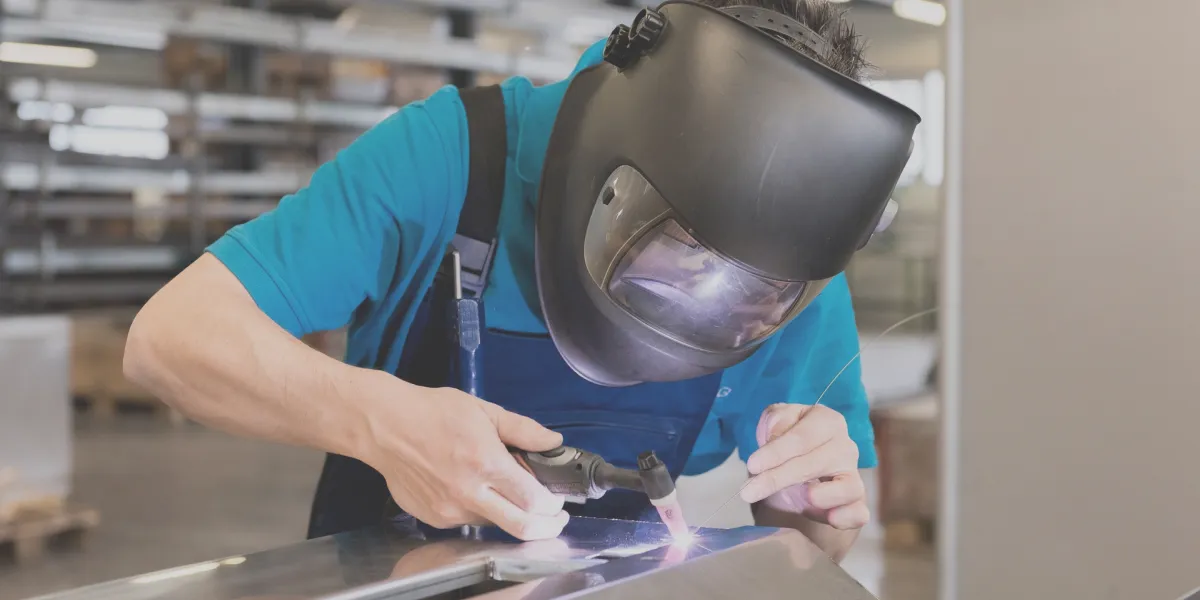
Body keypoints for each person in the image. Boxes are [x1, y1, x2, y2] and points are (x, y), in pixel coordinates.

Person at [123, 0, 917, 563]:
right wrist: (381, 423)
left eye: (743, 291)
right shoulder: (451, 157)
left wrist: (811, 514)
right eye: (672, 248)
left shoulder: (784, 272)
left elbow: (817, 541)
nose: (698, 292)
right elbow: (170, 340)